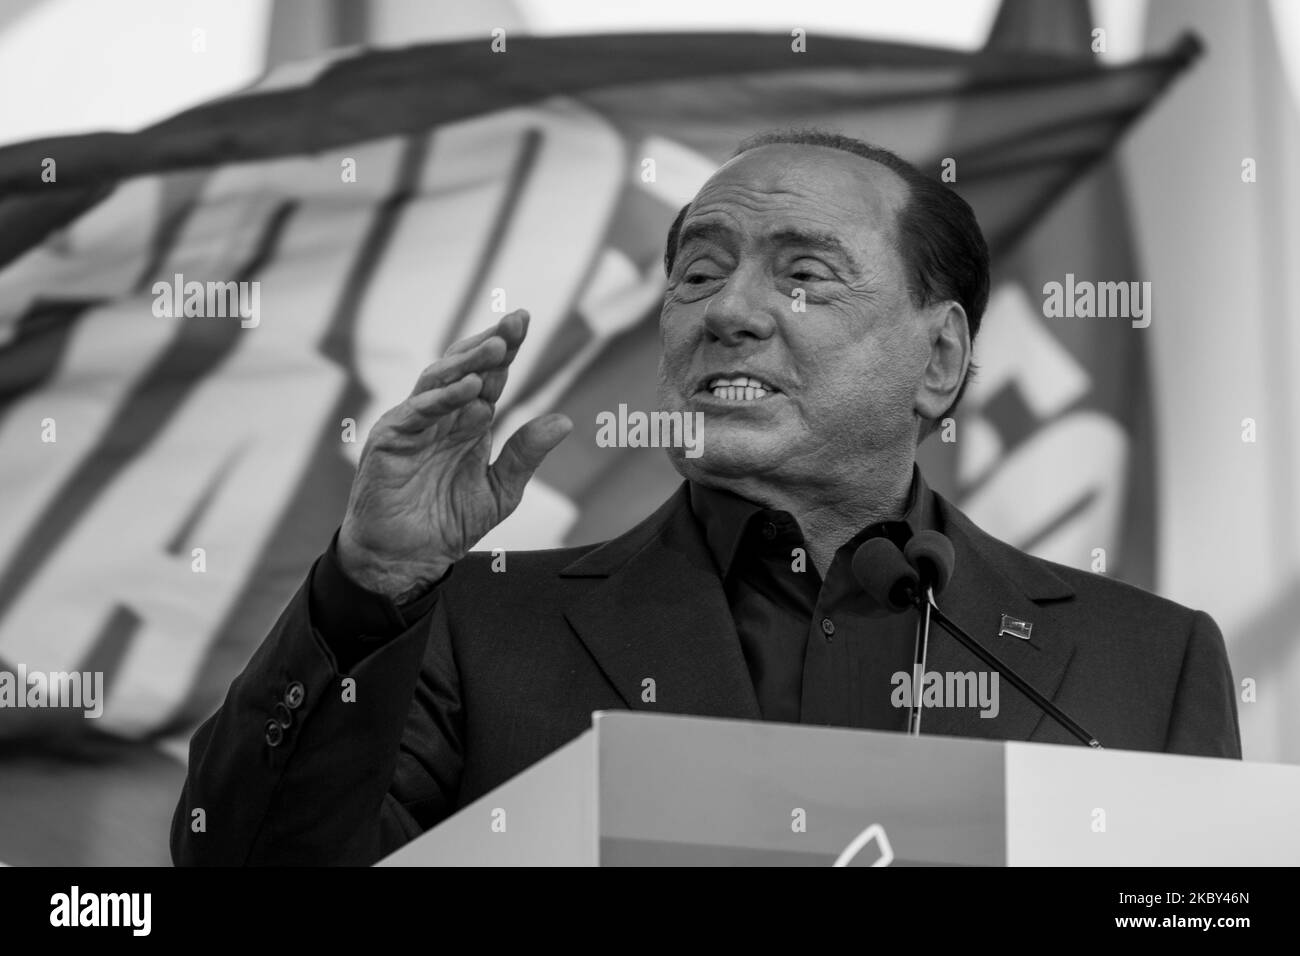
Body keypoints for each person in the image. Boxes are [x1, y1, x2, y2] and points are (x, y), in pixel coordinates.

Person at [171, 130, 1241, 866]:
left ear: (940, 357)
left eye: (804, 273)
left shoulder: (1142, 664)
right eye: (696, 272)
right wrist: (370, 587)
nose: (729, 310)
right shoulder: (474, 624)